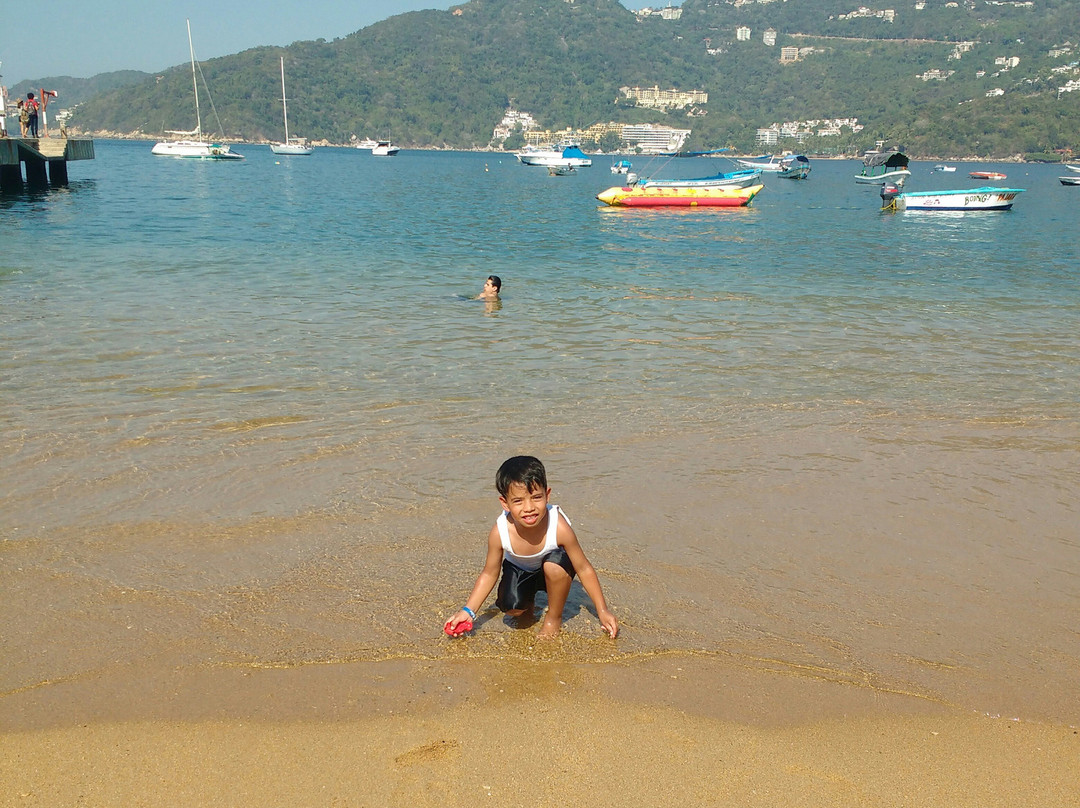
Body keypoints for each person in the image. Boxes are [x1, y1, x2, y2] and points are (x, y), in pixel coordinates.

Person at [445, 455, 619, 639]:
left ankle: (553, 618)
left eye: (536, 497)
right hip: (522, 570)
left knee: (553, 567)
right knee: (512, 608)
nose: (529, 508)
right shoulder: (500, 532)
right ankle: (528, 603)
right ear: (505, 503)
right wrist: (468, 611)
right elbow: (489, 573)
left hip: (555, 569)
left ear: (547, 494)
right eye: (518, 501)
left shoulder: (559, 527)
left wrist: (602, 610)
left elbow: (583, 568)